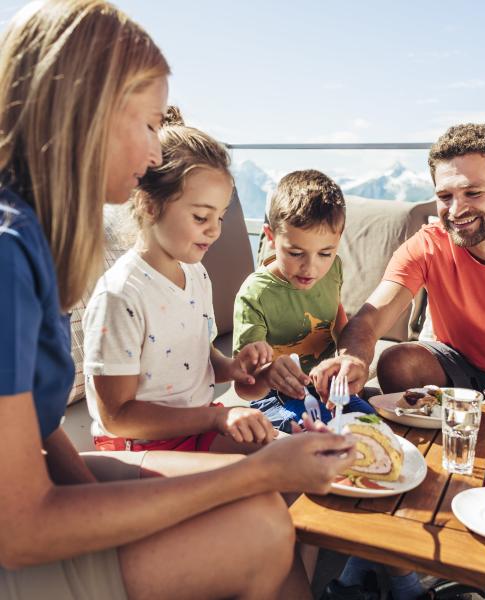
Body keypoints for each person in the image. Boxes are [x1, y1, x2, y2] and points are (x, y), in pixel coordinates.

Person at [0, 2, 355, 599]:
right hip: (19, 531)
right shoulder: (11, 256)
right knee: (263, 522)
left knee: (265, 502)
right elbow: (19, 528)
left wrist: (90, 487)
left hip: (48, 480)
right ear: (88, 113)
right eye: (148, 125)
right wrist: (251, 468)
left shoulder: (34, 237)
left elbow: (31, 421)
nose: (152, 155)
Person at [311, 123, 485, 405]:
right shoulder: (426, 245)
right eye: (445, 196)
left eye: (473, 193)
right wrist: (352, 359)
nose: (456, 210)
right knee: (398, 363)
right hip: (458, 371)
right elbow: (368, 320)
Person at [84, 106, 277, 453]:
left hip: (195, 427)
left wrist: (234, 368)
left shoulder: (196, 274)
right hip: (141, 447)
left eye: (219, 216)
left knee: (295, 456)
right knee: (266, 479)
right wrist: (216, 419)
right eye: (201, 216)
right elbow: (117, 416)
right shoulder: (120, 296)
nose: (215, 230)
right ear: (149, 205)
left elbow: (197, 357)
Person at [233, 169, 375, 432]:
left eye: (325, 252)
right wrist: (267, 374)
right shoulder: (255, 294)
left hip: (326, 390)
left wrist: (345, 361)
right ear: (272, 237)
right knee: (309, 432)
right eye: (296, 252)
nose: (311, 268)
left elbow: (338, 319)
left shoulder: (334, 269)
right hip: (274, 397)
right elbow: (244, 386)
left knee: (370, 424)